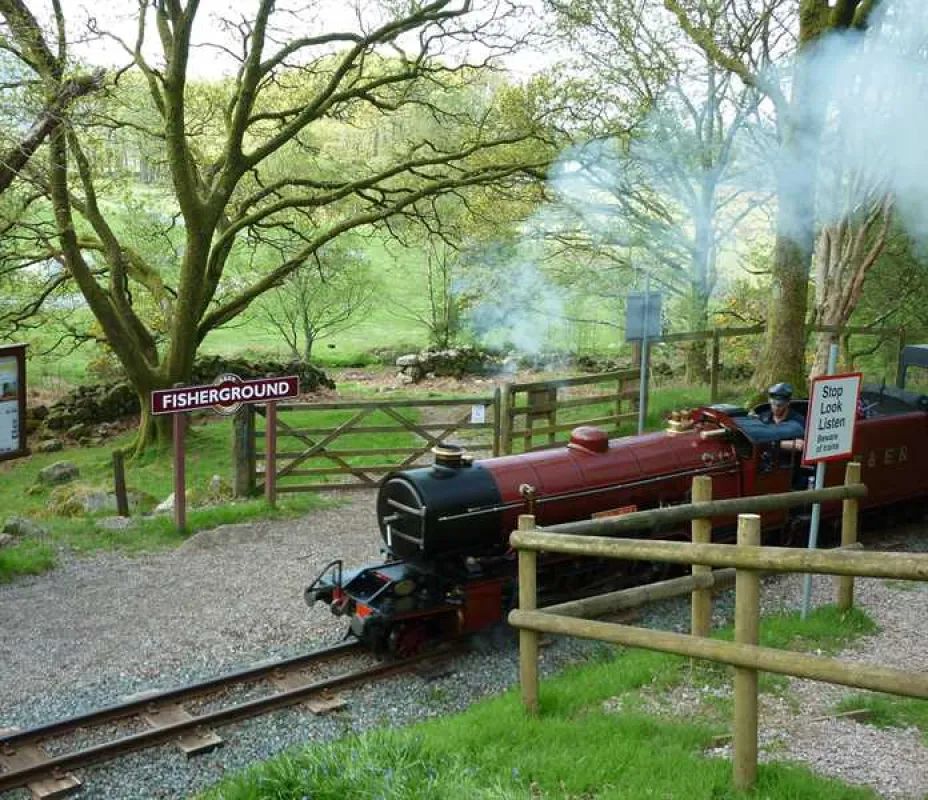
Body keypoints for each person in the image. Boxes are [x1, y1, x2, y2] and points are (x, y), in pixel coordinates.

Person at [758, 382, 805, 451]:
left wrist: (770, 443)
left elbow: (800, 445)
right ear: (769, 400)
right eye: (773, 403)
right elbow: (757, 440)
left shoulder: (798, 421)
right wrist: (781, 444)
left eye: (780, 405)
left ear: (788, 403)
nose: (776, 408)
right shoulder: (764, 417)